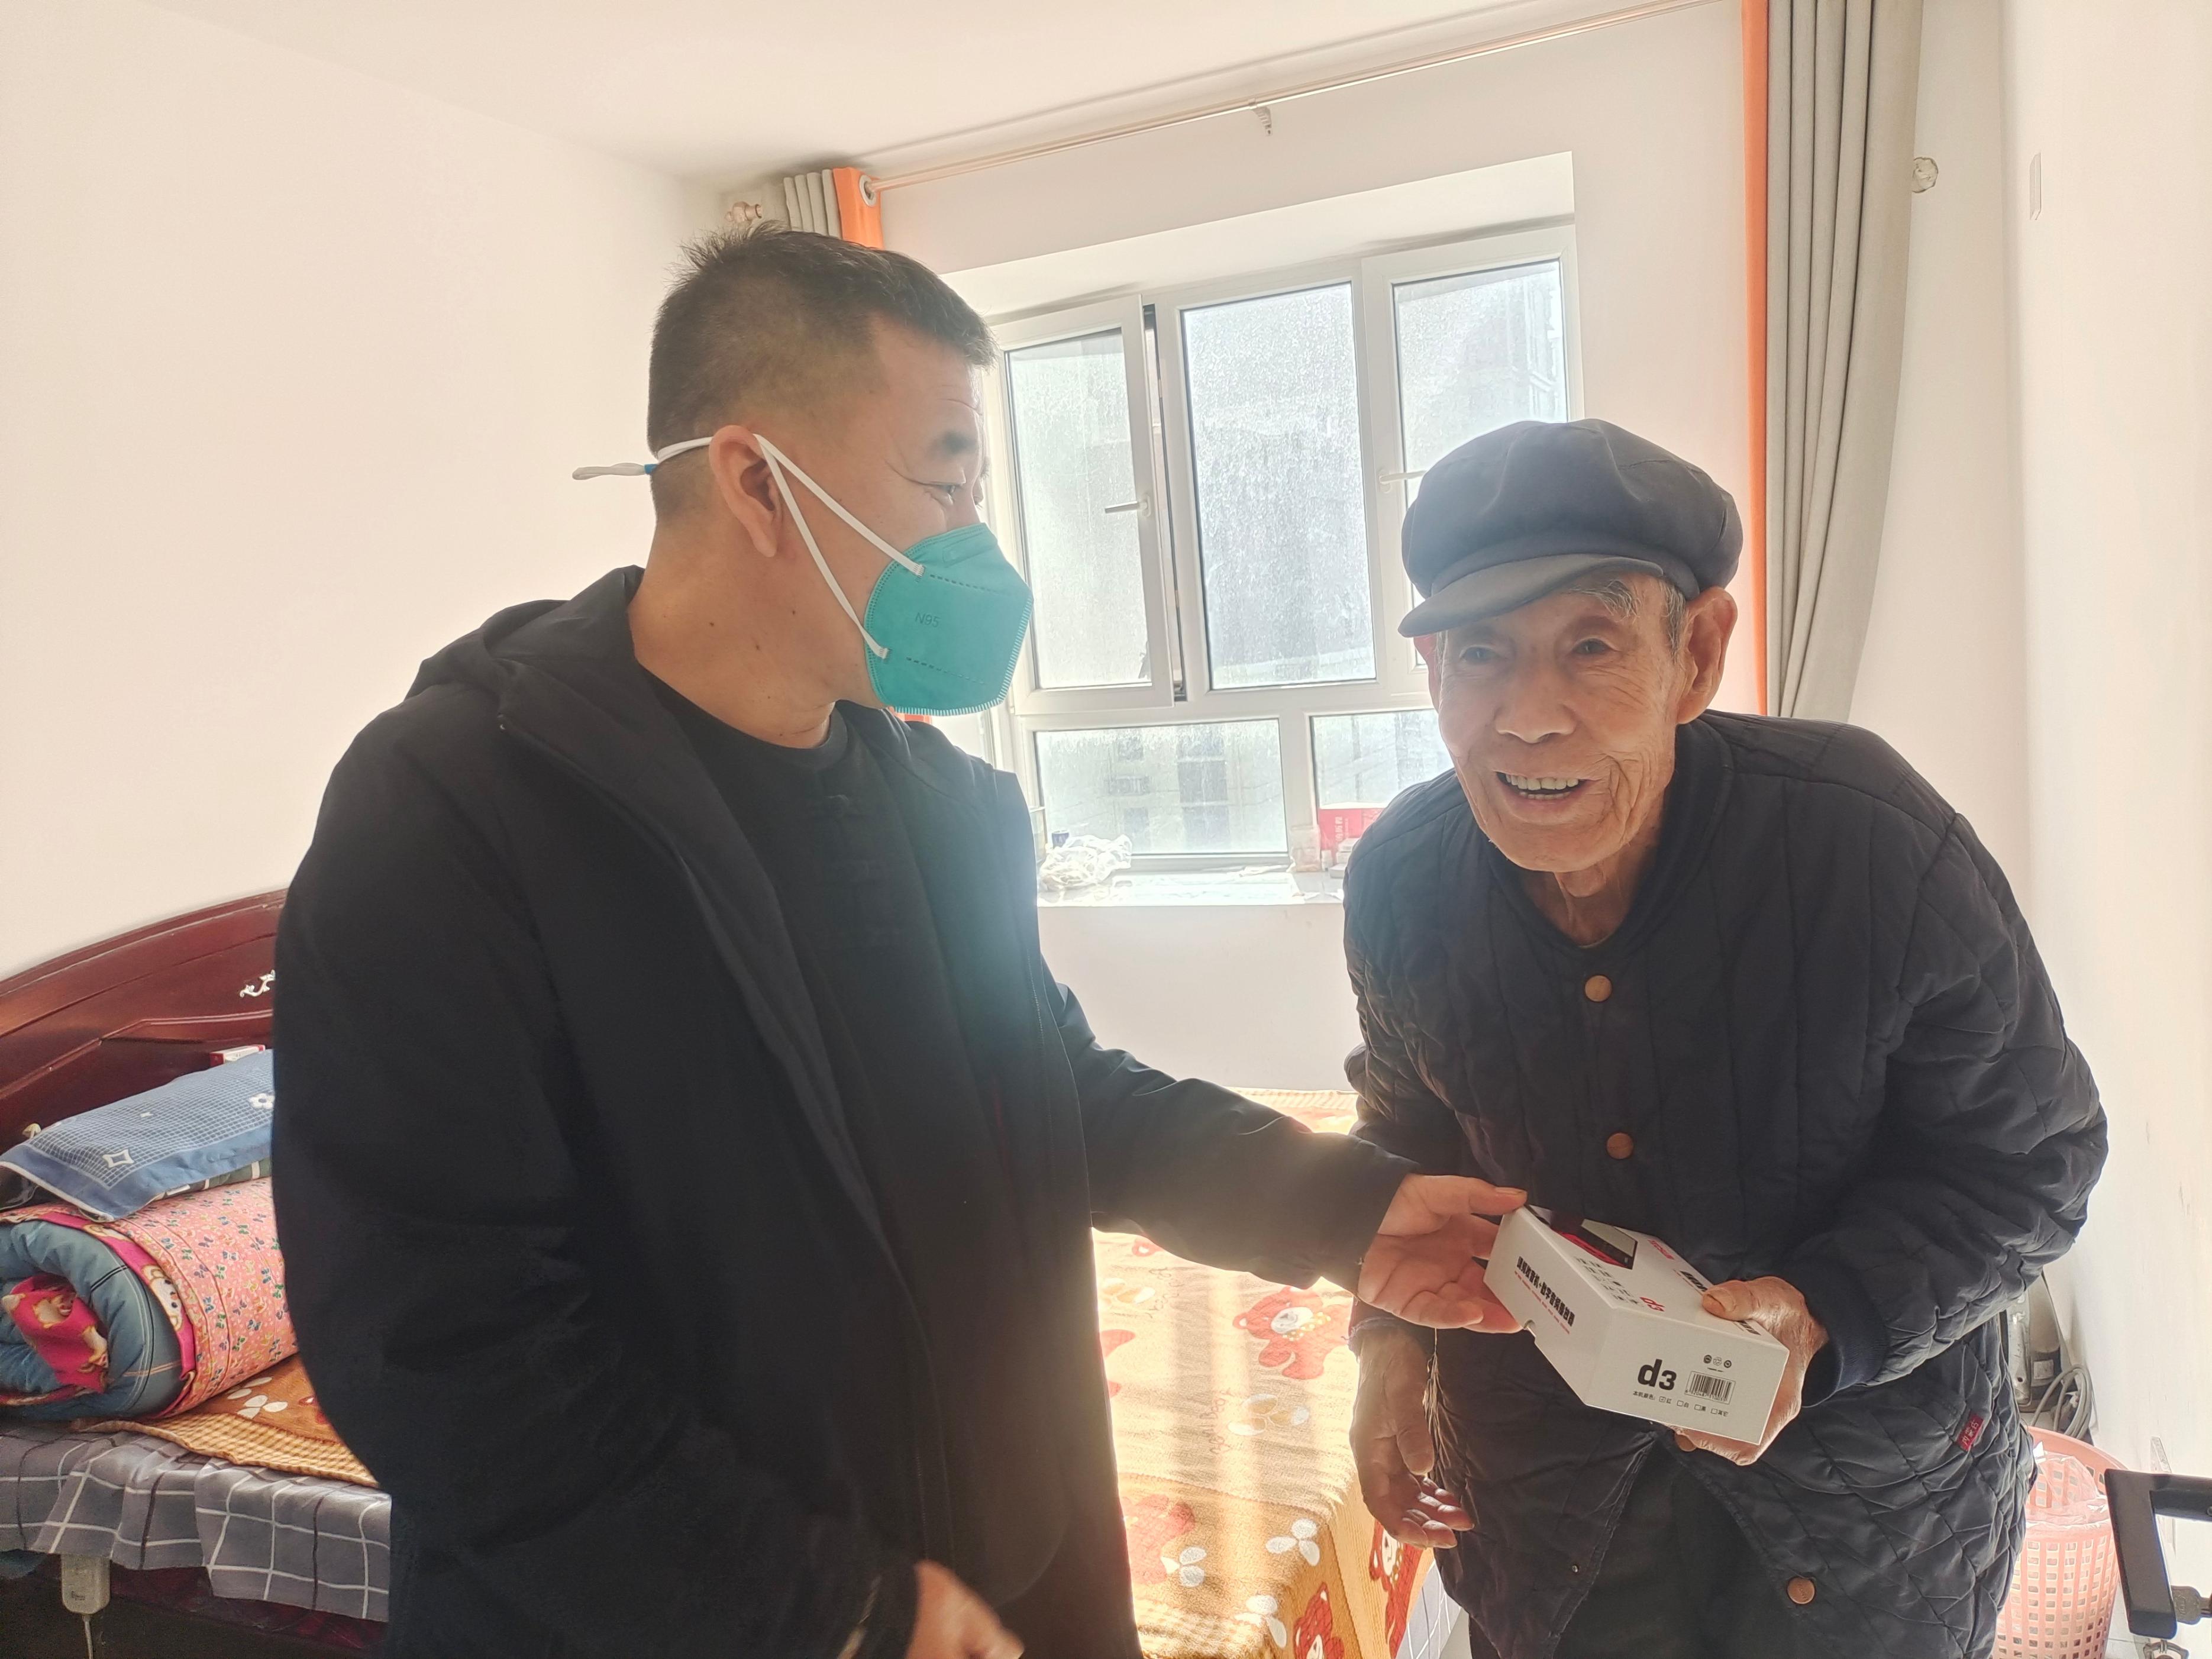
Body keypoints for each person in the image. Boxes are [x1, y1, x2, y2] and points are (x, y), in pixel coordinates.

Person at [270, 224, 1526, 1659]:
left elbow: (1051, 1098)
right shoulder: (454, 814)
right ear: (758, 483)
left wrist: (1338, 1210)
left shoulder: (940, 805)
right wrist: (832, 1612)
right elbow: (445, 1343)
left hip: (1006, 1578)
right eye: (944, 479)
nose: (976, 540)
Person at [1342, 418, 2107, 1659]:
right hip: (1552, 1511)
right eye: (1482, 652)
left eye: (1590, 647)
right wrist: (1386, 1345)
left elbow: (2032, 1162)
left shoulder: (1870, 843)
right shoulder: (1400, 882)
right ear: (1432, 671)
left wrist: (1822, 1314)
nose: (1527, 718)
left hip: (1862, 1519)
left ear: (1695, 654)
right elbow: (1403, 1135)